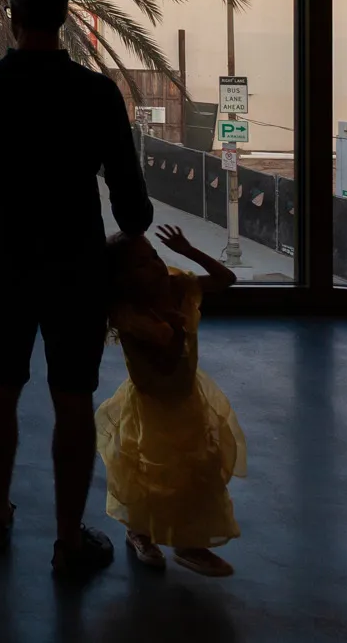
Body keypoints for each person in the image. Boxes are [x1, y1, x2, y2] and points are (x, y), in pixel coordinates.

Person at [0, 0, 153, 579]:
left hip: (4, 266)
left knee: (0, 389)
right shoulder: (98, 95)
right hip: (77, 271)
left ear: (12, 16)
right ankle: (67, 541)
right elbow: (133, 209)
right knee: (73, 399)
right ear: (64, 18)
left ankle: (0, 512)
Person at [98, 225, 247, 575]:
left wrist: (189, 249)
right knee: (150, 473)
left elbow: (225, 278)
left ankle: (190, 543)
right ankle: (140, 532)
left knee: (198, 471)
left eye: (153, 256)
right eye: (141, 264)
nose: (154, 265)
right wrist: (176, 331)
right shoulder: (132, 316)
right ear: (123, 279)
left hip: (187, 398)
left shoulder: (178, 286)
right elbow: (164, 366)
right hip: (153, 405)